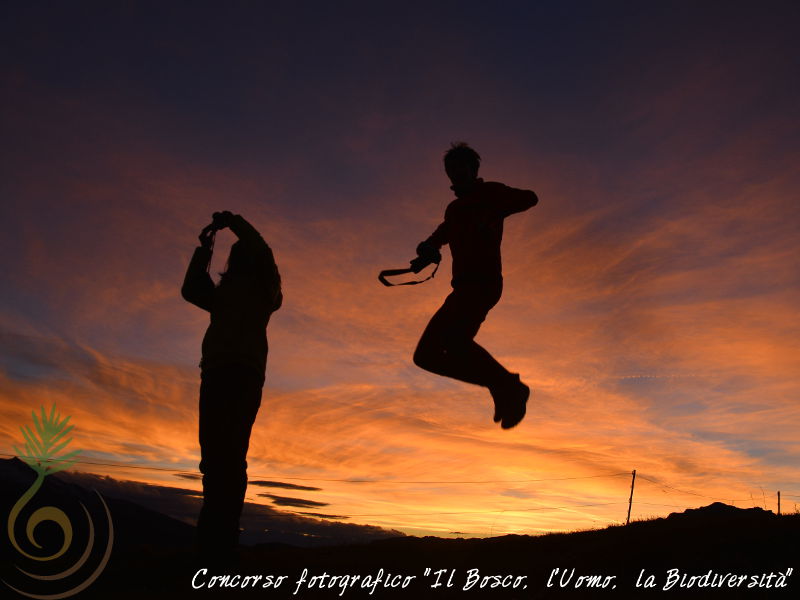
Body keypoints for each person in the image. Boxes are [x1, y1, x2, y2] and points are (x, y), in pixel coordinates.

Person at [412, 143, 538, 429]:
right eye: (450, 170)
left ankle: (508, 387)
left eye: (460, 168)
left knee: (455, 343)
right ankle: (502, 385)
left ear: (473, 169)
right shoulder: (454, 209)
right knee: (425, 356)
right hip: (461, 288)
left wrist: (493, 210)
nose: (454, 174)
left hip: (484, 283)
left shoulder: (490, 193)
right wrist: (427, 250)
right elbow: (442, 233)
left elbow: (531, 198)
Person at [181, 211, 282, 558]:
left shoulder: (265, 289)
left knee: (230, 458)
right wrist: (205, 248)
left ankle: (221, 542)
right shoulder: (224, 295)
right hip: (215, 372)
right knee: (213, 460)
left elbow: (262, 248)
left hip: (242, 374)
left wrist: (233, 221)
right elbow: (191, 287)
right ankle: (212, 542)